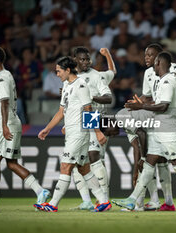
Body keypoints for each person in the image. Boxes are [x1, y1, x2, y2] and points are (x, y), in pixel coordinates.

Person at [113, 51, 176, 212]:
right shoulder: (161, 80)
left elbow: (163, 106)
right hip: (157, 124)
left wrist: (140, 107)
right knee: (149, 162)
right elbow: (154, 103)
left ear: (159, 62)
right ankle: (133, 200)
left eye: (154, 61)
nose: (151, 63)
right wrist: (139, 104)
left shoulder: (169, 80)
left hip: (168, 126)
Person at [0, 46, 50, 211]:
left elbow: (5, 102)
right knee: (11, 163)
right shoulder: (3, 77)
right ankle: (40, 191)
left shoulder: (1, 78)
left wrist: (4, 125)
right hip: (9, 122)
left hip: (6, 124)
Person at [33, 56, 111, 212]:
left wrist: (97, 132)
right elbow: (61, 112)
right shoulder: (67, 86)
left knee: (65, 165)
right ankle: (103, 201)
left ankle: (53, 204)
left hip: (79, 133)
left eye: (59, 71)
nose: (57, 74)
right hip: (72, 131)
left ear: (68, 70)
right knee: (84, 169)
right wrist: (47, 128)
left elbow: (89, 109)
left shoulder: (81, 85)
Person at [70, 47, 113, 210]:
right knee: (76, 161)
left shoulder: (96, 76)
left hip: (96, 117)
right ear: (75, 60)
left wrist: (91, 96)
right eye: (83, 59)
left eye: (88, 59)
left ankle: (104, 200)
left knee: (95, 158)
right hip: (78, 121)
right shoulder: (71, 77)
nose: (87, 62)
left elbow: (108, 98)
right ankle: (87, 201)